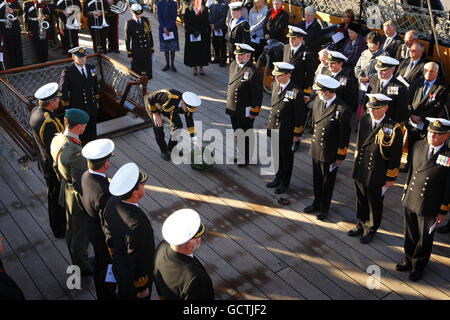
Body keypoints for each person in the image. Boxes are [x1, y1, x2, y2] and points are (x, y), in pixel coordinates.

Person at [397, 118, 450, 281]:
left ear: (446, 135)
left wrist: (443, 211)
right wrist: (405, 193)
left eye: (437, 134)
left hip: (430, 204)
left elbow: (449, 187)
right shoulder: (418, 145)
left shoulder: (448, 155)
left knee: (424, 237)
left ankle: (418, 265)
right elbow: (411, 171)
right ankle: (408, 258)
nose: (432, 136)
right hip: (412, 197)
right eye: (430, 132)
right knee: (410, 232)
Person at [348, 93, 403, 244]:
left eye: (376, 108)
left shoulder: (392, 128)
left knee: (374, 202)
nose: (372, 111)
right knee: (360, 198)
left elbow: (395, 157)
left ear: (385, 108)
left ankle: (371, 228)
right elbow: (360, 144)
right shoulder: (365, 119)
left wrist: (390, 178)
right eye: (370, 108)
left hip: (377, 171)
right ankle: (360, 223)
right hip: (361, 167)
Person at [50, 108, 92, 276]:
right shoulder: (76, 153)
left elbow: (55, 166)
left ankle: (77, 259)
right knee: (80, 236)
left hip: (64, 191)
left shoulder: (58, 139)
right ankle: (83, 266)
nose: (85, 127)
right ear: (79, 127)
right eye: (85, 125)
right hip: (75, 199)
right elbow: (80, 183)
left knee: (71, 230)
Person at [304, 75, 352, 220]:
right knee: (317, 178)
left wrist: (340, 155)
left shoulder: (342, 109)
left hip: (330, 152)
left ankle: (324, 208)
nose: (317, 93)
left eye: (319, 91)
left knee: (327, 182)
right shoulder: (319, 100)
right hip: (317, 147)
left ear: (328, 92)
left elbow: (344, 136)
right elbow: (314, 122)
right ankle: (316, 202)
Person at [105, 162, 155, 300]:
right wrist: (141, 286)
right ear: (134, 193)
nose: (144, 185)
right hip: (131, 278)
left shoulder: (111, 203)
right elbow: (137, 258)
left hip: (119, 266)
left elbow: (107, 232)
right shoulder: (136, 225)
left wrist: (114, 254)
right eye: (142, 185)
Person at [80, 138, 117, 300]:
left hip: (91, 228)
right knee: (107, 268)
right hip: (103, 238)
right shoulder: (104, 192)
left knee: (100, 265)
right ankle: (106, 295)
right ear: (106, 164)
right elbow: (107, 225)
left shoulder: (85, 175)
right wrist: (113, 249)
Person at [29, 82, 66, 238]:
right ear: (51, 102)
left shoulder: (37, 111)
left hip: (44, 161)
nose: (59, 101)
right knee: (56, 197)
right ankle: (58, 229)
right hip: (52, 165)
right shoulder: (47, 121)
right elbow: (56, 147)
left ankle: (59, 224)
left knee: (53, 194)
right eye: (57, 100)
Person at [154, 208, 214, 300]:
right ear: (189, 246)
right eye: (198, 237)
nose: (200, 239)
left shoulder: (162, 247)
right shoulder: (196, 279)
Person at [266, 62, 305, 194]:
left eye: (280, 75)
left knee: (286, 157)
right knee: (277, 155)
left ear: (288, 75)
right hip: (275, 127)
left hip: (287, 131)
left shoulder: (296, 92)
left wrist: (297, 134)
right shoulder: (276, 85)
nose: (277, 78)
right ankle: (278, 177)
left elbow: (300, 116)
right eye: (276, 75)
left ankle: (285, 181)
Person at [404, 62, 448, 171]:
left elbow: (437, 107)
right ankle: (409, 165)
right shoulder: (416, 82)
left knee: (423, 146)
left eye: (431, 71)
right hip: (412, 120)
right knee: (411, 144)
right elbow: (408, 99)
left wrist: (421, 117)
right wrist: (411, 114)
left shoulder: (441, 88)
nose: (428, 73)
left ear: (437, 73)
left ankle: (419, 167)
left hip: (426, 123)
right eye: (426, 70)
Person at [226, 43, 263, 167]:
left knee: (246, 133)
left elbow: (257, 95)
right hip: (233, 107)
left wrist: (254, 111)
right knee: (237, 132)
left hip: (245, 109)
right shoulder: (233, 65)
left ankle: (248, 157)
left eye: (241, 55)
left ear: (248, 56)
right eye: (237, 54)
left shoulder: (252, 72)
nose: (237, 57)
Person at [145, 90, 201, 161]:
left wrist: (195, 140)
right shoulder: (168, 96)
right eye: (187, 109)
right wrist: (155, 113)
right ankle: (164, 151)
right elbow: (149, 98)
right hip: (153, 105)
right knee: (158, 127)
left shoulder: (188, 107)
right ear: (183, 102)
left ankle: (171, 148)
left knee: (178, 126)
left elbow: (190, 123)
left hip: (169, 109)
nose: (188, 112)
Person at [60, 46, 99, 144]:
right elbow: (63, 91)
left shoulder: (91, 68)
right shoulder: (68, 71)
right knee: (81, 134)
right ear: (73, 57)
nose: (82, 59)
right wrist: (67, 108)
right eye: (80, 57)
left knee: (92, 130)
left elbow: (95, 86)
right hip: (78, 107)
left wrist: (96, 101)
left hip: (91, 106)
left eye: (84, 57)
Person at [367, 55, 408, 126]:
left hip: (388, 123)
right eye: (378, 69)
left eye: (383, 70)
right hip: (372, 120)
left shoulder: (400, 87)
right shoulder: (374, 79)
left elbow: (401, 110)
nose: (379, 72)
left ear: (392, 70)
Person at [354, 30, 386, 120]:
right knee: (360, 103)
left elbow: (382, 73)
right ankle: (358, 121)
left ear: (378, 43)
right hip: (362, 84)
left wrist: (368, 78)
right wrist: (360, 76)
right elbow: (357, 66)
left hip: (373, 86)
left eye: (371, 43)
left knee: (370, 105)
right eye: (368, 43)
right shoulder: (365, 53)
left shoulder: (384, 55)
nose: (369, 45)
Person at [283, 25, 314, 95]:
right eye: (290, 38)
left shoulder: (307, 54)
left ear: (301, 39)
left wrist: (306, 93)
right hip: (284, 85)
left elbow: (310, 76)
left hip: (297, 88)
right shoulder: (286, 48)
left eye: (294, 38)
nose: (291, 40)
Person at [125, 4, 154, 79]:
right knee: (137, 73)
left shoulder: (146, 20)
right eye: (136, 14)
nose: (138, 16)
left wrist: (152, 49)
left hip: (146, 49)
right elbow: (127, 40)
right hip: (136, 50)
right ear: (132, 12)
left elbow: (150, 36)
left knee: (147, 70)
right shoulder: (129, 23)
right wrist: (129, 54)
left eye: (139, 14)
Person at [183, 0, 210, 76]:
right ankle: (195, 68)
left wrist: (199, 32)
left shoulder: (205, 10)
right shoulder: (188, 10)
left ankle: (201, 68)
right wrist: (193, 31)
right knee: (193, 51)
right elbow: (186, 23)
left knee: (201, 51)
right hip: (192, 34)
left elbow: (206, 23)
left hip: (202, 34)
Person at [157, 0, 179, 72]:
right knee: (166, 48)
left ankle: (172, 65)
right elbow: (159, 17)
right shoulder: (159, 3)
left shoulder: (174, 4)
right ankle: (167, 64)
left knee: (173, 49)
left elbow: (174, 17)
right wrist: (164, 28)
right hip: (163, 28)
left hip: (172, 28)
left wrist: (168, 28)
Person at [0, 0, 23, 68]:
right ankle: (13, 67)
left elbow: (21, 11)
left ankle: (20, 66)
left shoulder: (14, 0)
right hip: (5, 28)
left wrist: (13, 11)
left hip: (15, 27)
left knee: (18, 47)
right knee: (10, 48)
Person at [209, 0, 228, 67]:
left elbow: (224, 17)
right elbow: (210, 14)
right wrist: (211, 24)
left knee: (222, 44)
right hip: (214, 28)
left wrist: (216, 25)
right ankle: (217, 57)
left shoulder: (225, 4)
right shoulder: (212, 4)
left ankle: (223, 59)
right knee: (215, 42)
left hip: (221, 28)